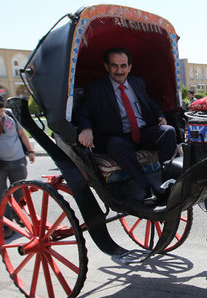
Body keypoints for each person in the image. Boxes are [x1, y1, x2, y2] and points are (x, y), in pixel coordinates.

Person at [76, 47, 177, 206]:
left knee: (168, 131)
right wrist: (86, 129)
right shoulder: (96, 88)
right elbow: (84, 113)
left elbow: (150, 102)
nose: (119, 70)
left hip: (141, 133)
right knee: (116, 144)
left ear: (129, 67)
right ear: (106, 67)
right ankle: (147, 189)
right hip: (116, 137)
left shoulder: (138, 83)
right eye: (114, 66)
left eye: (123, 66)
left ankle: (168, 184)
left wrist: (160, 116)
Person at [0, 95, 35, 230]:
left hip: (18, 160)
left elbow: (22, 134)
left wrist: (30, 151)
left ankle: (20, 216)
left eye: (0, 111)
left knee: (20, 192)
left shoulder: (10, 115)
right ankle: (6, 225)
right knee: (0, 196)